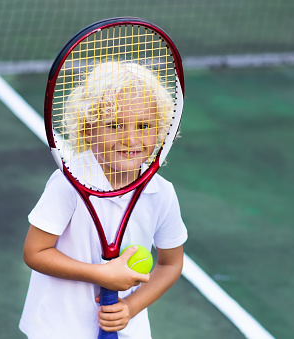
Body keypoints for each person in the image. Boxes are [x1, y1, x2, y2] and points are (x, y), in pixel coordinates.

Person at [19, 61, 187, 338]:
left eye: (144, 125)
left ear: (161, 131)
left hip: (125, 330)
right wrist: (101, 275)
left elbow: (171, 263)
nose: (131, 139)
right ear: (87, 130)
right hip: (58, 328)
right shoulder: (68, 184)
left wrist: (130, 307)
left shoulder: (162, 192)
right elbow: (36, 253)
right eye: (115, 125)